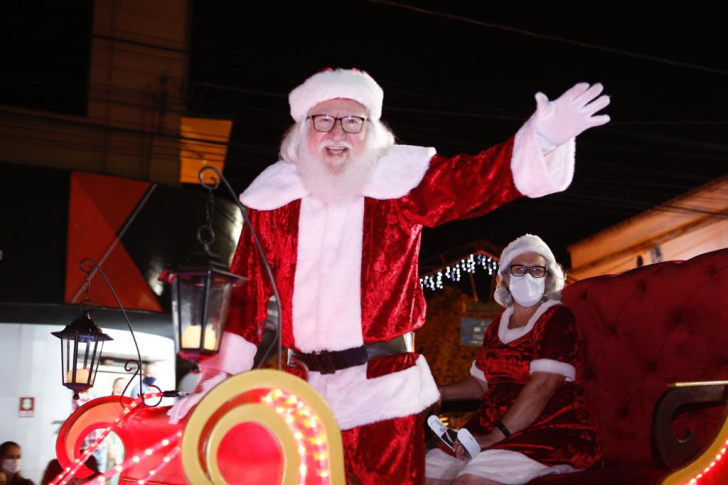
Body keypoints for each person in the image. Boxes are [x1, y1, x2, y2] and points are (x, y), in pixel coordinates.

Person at [168, 68, 610, 483]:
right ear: (302, 129)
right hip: (302, 393)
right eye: (324, 120)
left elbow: (474, 181)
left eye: (353, 121)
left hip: (382, 390)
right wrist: (216, 381)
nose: (338, 132)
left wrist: (542, 139)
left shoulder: (399, 183)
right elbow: (244, 298)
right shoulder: (272, 200)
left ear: (371, 131)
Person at [425, 234, 602, 484]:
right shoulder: (498, 324)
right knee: (427, 470)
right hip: (489, 428)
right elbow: (481, 383)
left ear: (548, 278)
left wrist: (497, 436)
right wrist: (440, 392)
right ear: (506, 277)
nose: (527, 276)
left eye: (536, 270)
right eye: (519, 269)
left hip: (548, 431)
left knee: (472, 478)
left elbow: (543, 385)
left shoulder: (556, 318)